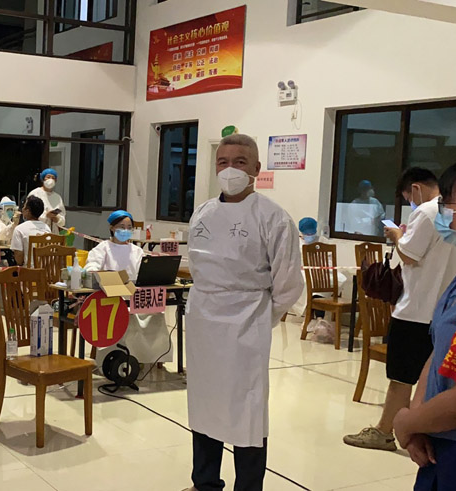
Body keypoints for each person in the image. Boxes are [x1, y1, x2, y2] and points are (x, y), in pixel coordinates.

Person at [184, 134, 303, 491]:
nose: (230, 169)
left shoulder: (274, 218)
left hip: (247, 322)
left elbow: (288, 284)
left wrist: (259, 318)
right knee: (205, 403)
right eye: (223, 162)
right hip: (203, 320)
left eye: (240, 162)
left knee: (246, 410)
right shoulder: (203, 212)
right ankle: (205, 482)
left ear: (256, 169)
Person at [345, 167, 456, 451]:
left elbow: (409, 255)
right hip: (446, 311)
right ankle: (428, 431)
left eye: (408, 196)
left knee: (401, 377)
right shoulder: (449, 214)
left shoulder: (427, 212)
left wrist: (397, 235)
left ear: (416, 189)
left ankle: (386, 431)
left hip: (416, 310)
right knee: (435, 377)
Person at [393, 162, 456, 488]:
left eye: (453, 205)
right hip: (436, 442)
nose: (447, 216)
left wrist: (408, 421)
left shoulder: (422, 213)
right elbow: (440, 354)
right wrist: (419, 422)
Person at [85, 210, 171, 366]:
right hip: (112, 297)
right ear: (112, 228)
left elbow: (144, 272)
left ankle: (150, 357)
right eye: (121, 227)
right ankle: (117, 359)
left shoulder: (137, 251)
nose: (125, 230)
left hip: (134, 295)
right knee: (123, 315)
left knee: (156, 313)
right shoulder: (103, 248)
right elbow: (91, 268)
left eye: (129, 227)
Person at [11, 195, 51, 266]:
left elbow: (19, 259)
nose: (22, 209)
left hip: (29, 271)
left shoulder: (19, 229)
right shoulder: (47, 228)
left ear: (28, 211)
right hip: (46, 270)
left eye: (24, 207)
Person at [28, 168, 66, 234]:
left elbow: (62, 217)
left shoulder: (57, 197)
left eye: (53, 178)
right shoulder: (35, 193)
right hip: (37, 230)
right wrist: (46, 216)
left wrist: (57, 219)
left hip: (53, 232)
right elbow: (29, 214)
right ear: (43, 179)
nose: (51, 179)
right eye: (48, 177)